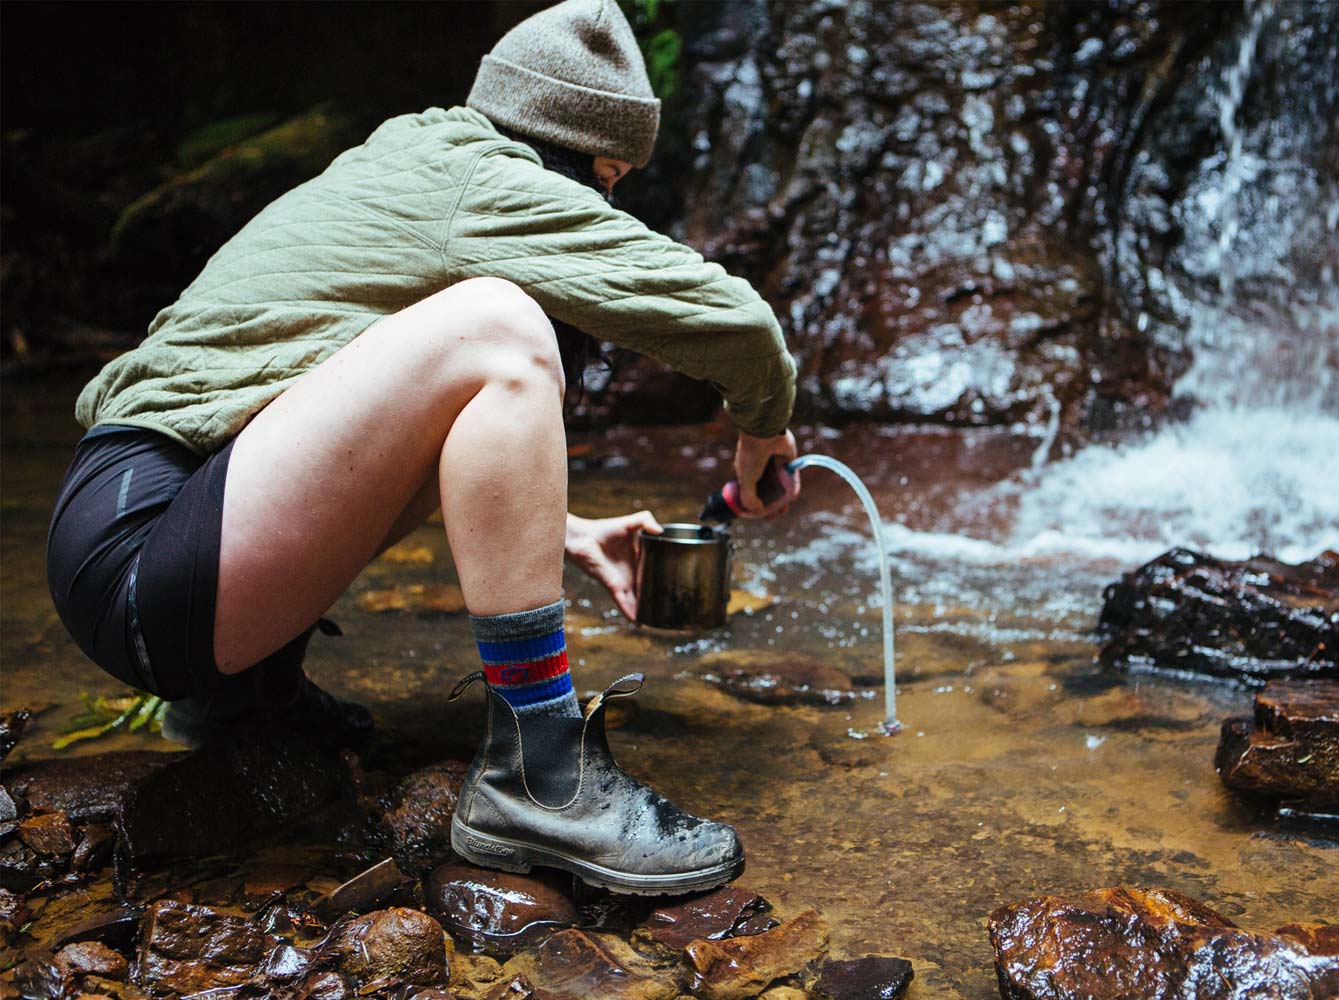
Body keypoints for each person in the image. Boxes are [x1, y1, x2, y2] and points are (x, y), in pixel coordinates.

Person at [44, 0, 795, 895]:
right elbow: (739, 325)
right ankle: (540, 771)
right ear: (593, 156)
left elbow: (363, 434)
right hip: (148, 566)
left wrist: (563, 525)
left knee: (464, 351)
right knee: (502, 328)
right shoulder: (489, 184)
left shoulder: (410, 159)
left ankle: (241, 699)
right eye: (611, 177)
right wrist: (762, 433)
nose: (606, 199)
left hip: (135, 538)